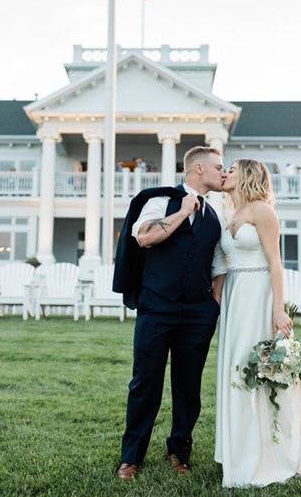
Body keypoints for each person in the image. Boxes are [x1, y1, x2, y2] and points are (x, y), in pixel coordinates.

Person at [112, 146, 227, 482]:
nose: (224, 173)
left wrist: (213, 304)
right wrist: (182, 213)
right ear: (199, 170)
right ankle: (131, 457)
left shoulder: (213, 214)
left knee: (188, 387)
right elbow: (144, 238)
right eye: (219, 167)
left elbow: (218, 263)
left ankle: (180, 451)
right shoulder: (160, 200)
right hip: (157, 307)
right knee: (145, 383)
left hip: (198, 313)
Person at [214, 158, 301, 488]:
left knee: (254, 369)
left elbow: (276, 265)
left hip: (259, 294)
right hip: (236, 297)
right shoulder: (230, 213)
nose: (225, 173)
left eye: (231, 170)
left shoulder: (263, 211)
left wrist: (279, 310)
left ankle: (265, 456)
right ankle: (238, 452)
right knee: (235, 367)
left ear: (247, 175)